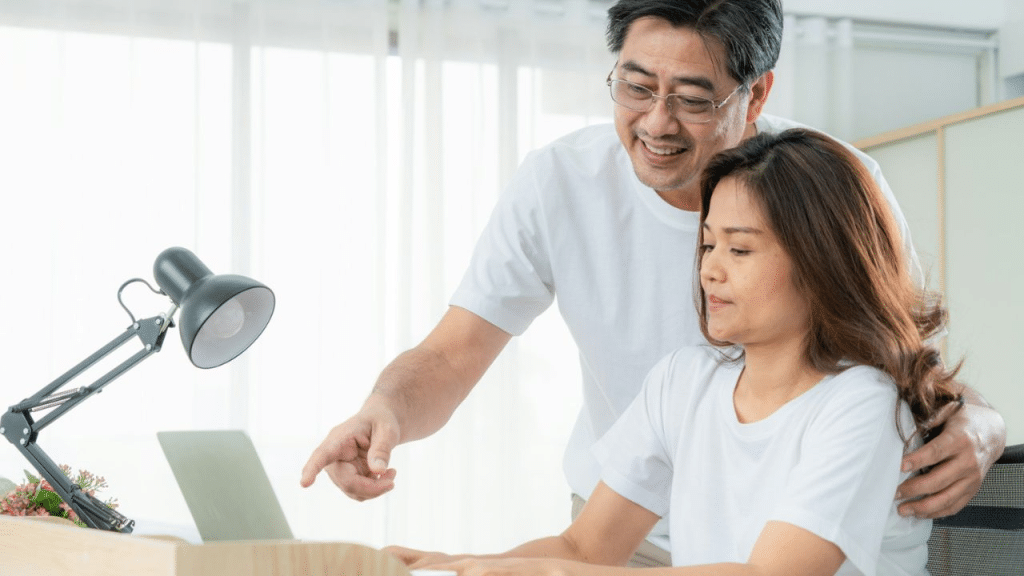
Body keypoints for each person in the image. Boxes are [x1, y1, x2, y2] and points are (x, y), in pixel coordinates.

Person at [301, 0, 1006, 565]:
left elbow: (897, 351)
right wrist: (444, 543)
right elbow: (456, 356)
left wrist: (979, 417)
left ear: (756, 93)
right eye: (636, 87)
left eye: (693, 99)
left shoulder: (830, 190)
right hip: (630, 522)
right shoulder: (679, 371)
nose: (656, 122)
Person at [389, 127, 964, 576]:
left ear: (820, 263)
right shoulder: (684, 382)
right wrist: (449, 565)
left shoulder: (861, 404)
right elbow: (583, 545)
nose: (709, 270)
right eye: (709, 243)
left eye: (739, 251)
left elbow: (770, 574)